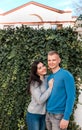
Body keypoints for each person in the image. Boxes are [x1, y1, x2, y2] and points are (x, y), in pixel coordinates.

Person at [46, 51, 76, 130]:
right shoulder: (49, 77)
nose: (51, 62)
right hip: (48, 114)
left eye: (54, 60)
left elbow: (71, 97)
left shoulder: (66, 75)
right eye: (49, 60)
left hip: (59, 115)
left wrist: (66, 118)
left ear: (59, 60)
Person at [26, 60, 53, 130]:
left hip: (43, 114)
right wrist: (50, 88)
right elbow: (40, 100)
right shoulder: (34, 83)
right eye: (39, 68)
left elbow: (56, 75)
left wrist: (52, 68)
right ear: (36, 72)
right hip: (33, 114)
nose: (43, 68)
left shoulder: (47, 78)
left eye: (43, 66)